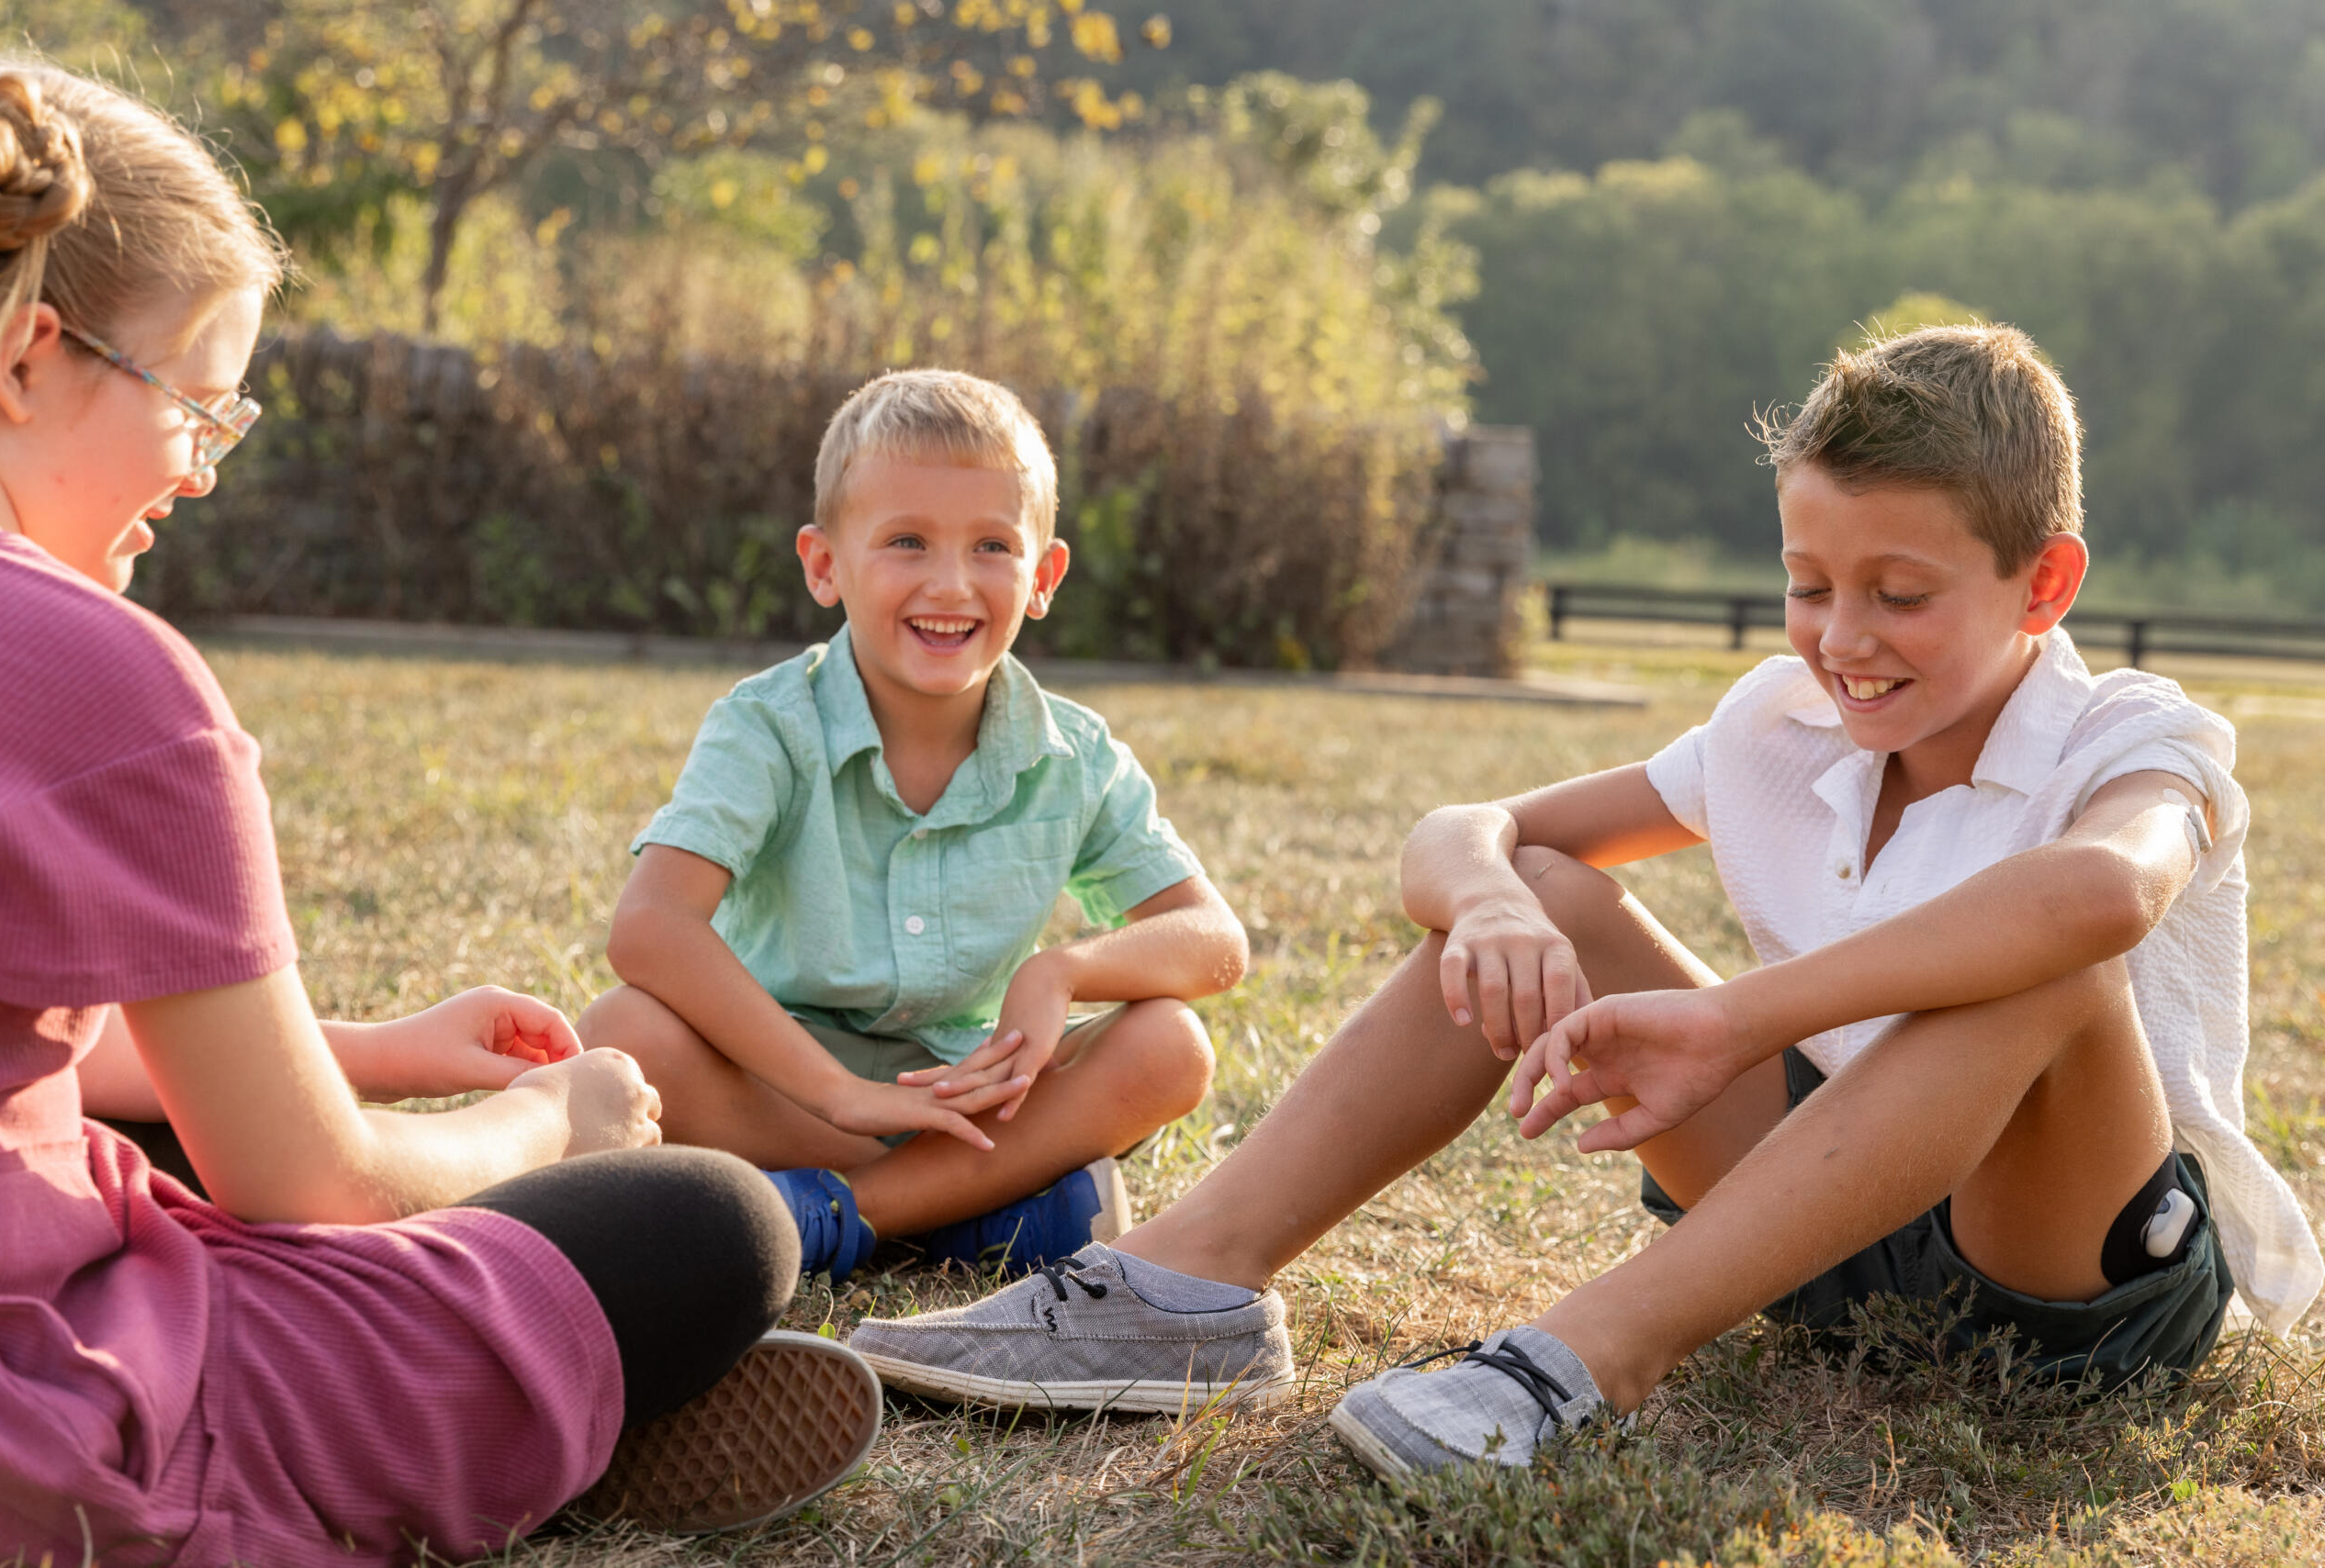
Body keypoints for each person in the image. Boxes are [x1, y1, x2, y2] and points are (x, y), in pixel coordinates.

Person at [845, 325, 2325, 1469]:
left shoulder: (2137, 735)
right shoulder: (1778, 723)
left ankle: (1581, 1359)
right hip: (1820, 1236)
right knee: (1541, 881)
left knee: (2045, 963)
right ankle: (1183, 1288)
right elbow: (1464, 827)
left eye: (1902, 593)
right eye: (1812, 584)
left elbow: (2100, 901)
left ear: (2045, 586)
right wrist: (1489, 905)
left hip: (2067, 1279)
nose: (1843, 638)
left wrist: (1734, 1022)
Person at [0, 61, 880, 1566]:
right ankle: (516, 1428)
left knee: (176, 1165)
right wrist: (543, 1117)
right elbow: (305, 1177)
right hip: (34, 1433)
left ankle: (534, 1395)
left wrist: (386, 1051)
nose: (202, 469)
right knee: (714, 1224)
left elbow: (41, 1038)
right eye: (198, 405)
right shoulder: (107, 675)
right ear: (29, 361)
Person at [581, 369, 1248, 1283]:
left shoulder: (1075, 755)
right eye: (905, 541)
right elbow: (650, 927)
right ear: (824, 565)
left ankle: (834, 1216)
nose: (951, 584)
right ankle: (969, 1211)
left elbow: (1214, 941)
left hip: (968, 1096)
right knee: (623, 1035)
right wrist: (837, 1093)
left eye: (990, 547)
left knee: (1169, 1044)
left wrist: (1063, 969)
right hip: (781, 1089)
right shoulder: (767, 727)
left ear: (1043, 574)